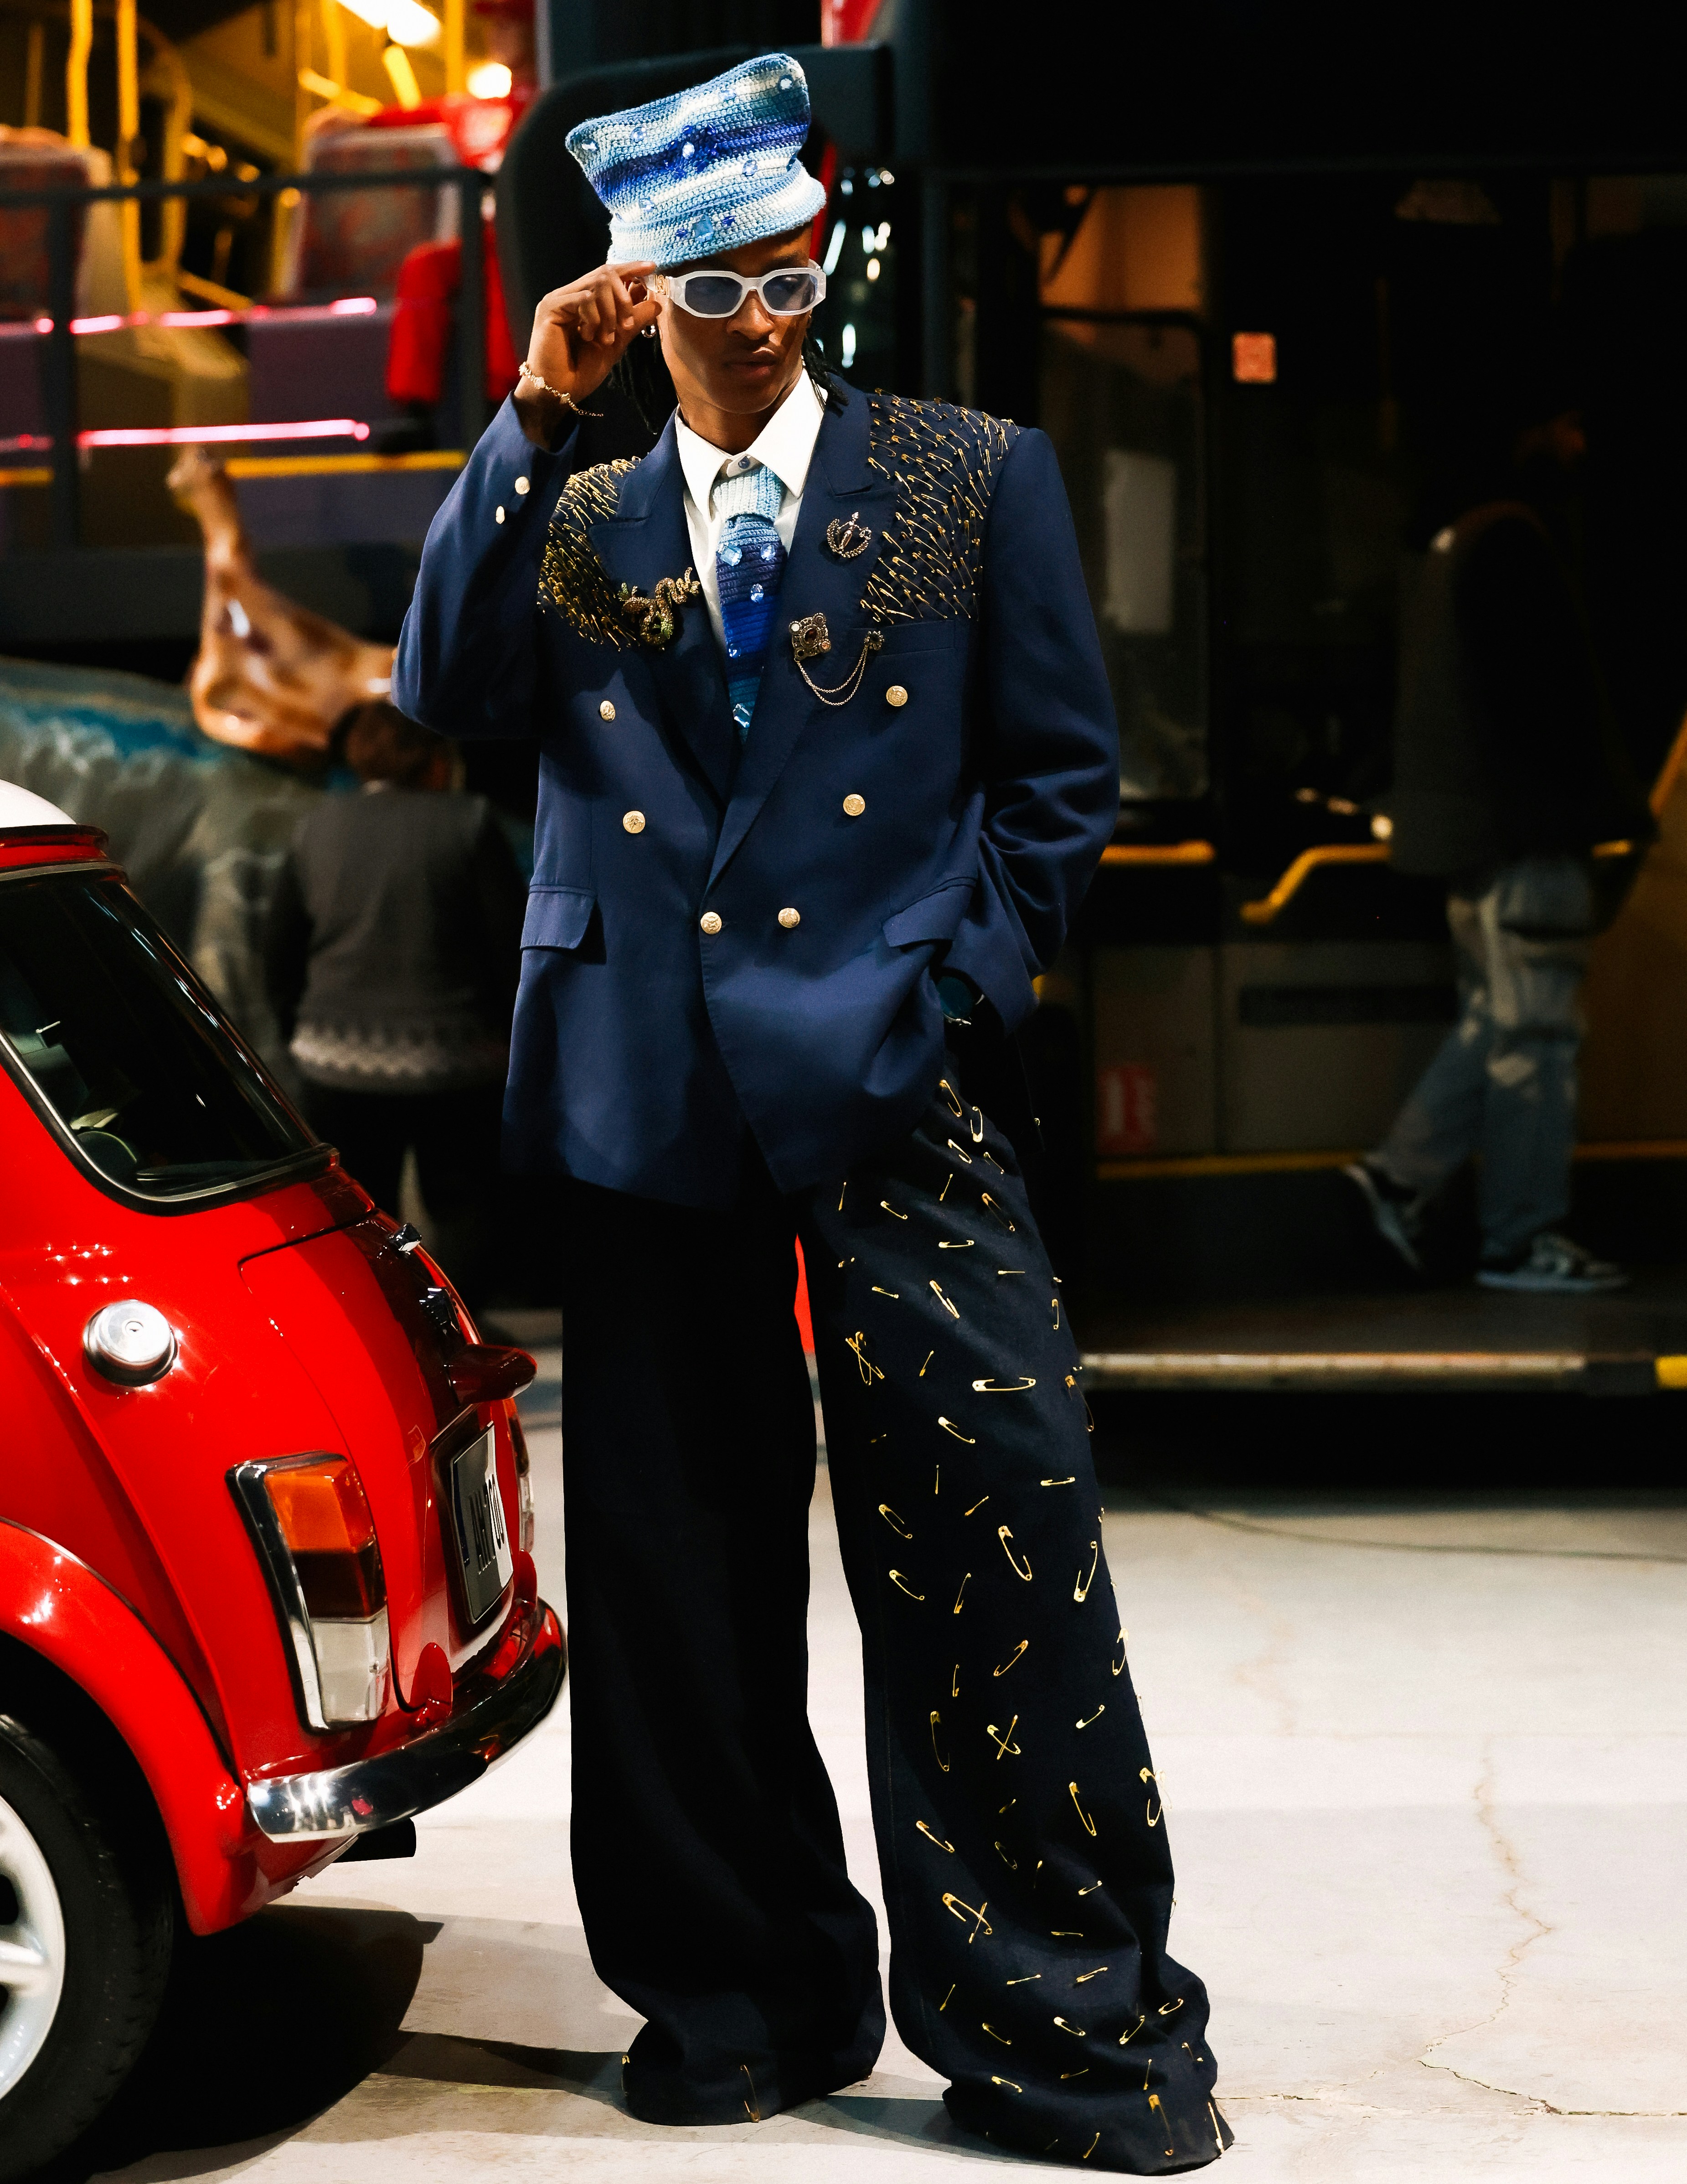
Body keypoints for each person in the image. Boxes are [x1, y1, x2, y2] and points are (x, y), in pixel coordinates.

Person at [393, 52, 1229, 2172]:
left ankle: (1058, 2015)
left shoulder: (961, 473)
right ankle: (735, 1986)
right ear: (638, 295)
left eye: (790, 277)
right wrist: (528, 407)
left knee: (993, 1542)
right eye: (716, 289)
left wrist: (963, 984)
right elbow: (437, 694)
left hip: (894, 1075)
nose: (764, 322)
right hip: (641, 1092)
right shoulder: (573, 509)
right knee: (679, 1582)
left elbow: (1055, 786)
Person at [1347, 416, 1651, 1292]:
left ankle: (1398, 1177)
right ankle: (1520, 1239)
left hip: (1464, 837)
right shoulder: (1518, 544)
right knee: (1537, 1037)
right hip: (1527, 834)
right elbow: (1553, 702)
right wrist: (1600, 807)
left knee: (1494, 1021)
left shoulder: (1448, 542)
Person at [263, 702, 526, 1302]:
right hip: (456, 1061)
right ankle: (462, 1328)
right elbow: (508, 945)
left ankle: (381, 1330)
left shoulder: (316, 827)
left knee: (357, 1213)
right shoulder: (470, 820)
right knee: (464, 1205)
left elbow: (279, 948)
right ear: (435, 759)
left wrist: (298, 1031)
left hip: (336, 1061)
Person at [306, 0, 537, 446]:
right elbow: (423, 116)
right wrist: (362, 119)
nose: (498, 34)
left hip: (525, 238)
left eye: (511, 23)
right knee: (424, 267)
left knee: (499, 274)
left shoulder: (554, 101)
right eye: (495, 24)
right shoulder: (477, 111)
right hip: (480, 237)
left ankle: (506, 407)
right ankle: (413, 409)